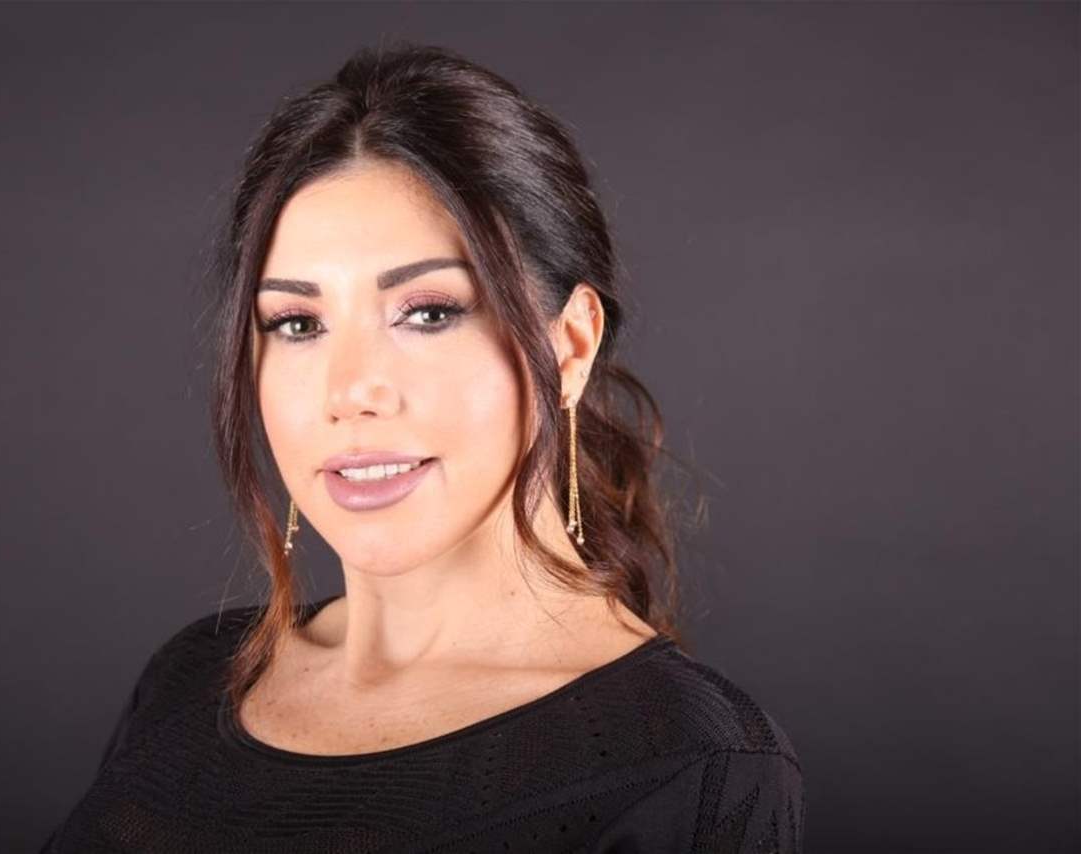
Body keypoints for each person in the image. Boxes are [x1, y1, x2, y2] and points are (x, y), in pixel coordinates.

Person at [41, 41, 805, 853]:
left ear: (570, 346)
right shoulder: (194, 678)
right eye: (296, 323)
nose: (350, 390)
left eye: (429, 312)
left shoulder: (694, 766)